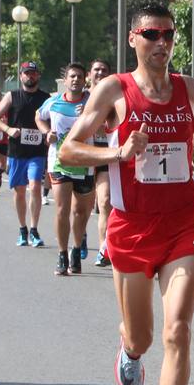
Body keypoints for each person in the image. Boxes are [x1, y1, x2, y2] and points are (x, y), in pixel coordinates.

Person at [58, 3, 194, 385]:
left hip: (183, 224)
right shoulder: (114, 89)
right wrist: (118, 152)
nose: (162, 42)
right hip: (130, 227)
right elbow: (69, 149)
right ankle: (128, 351)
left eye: (168, 34)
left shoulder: (191, 88)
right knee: (144, 336)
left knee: (178, 332)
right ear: (134, 38)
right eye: (151, 34)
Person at [37, 64, 94, 276]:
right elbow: (38, 116)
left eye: (80, 76)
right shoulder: (53, 101)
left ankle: (76, 249)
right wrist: (46, 132)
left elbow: (106, 121)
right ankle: (62, 254)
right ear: (66, 79)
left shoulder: (91, 101)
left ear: (84, 79)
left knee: (80, 212)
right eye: (72, 76)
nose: (76, 80)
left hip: (84, 161)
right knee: (62, 209)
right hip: (59, 161)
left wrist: (89, 113)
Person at [0, 62, 51, 245]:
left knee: (34, 186)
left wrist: (48, 133)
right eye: (26, 73)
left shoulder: (45, 97)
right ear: (21, 76)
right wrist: (8, 129)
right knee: (19, 190)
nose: (30, 77)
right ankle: (22, 228)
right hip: (17, 151)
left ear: (38, 76)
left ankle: (34, 229)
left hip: (37, 152)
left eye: (33, 74)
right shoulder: (12, 96)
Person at [88, 59, 115, 267]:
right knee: (81, 207)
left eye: (104, 70)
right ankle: (79, 238)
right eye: (96, 69)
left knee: (105, 201)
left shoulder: (115, 98)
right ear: (89, 74)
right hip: (85, 155)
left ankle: (103, 249)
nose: (100, 72)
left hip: (106, 154)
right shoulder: (82, 97)